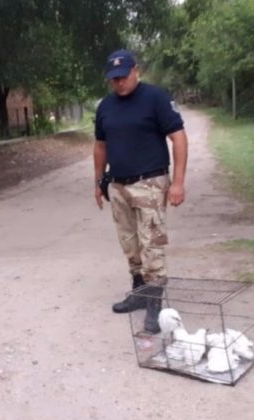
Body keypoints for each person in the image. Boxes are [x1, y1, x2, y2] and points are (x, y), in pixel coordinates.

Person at [93, 50, 188, 334]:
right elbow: (100, 145)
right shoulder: (106, 106)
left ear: (137, 71)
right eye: (114, 79)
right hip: (119, 185)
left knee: (152, 244)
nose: (119, 83)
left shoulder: (156, 98)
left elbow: (179, 138)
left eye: (123, 77)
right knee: (130, 243)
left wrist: (178, 182)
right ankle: (139, 292)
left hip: (150, 182)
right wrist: (99, 181)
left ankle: (155, 304)